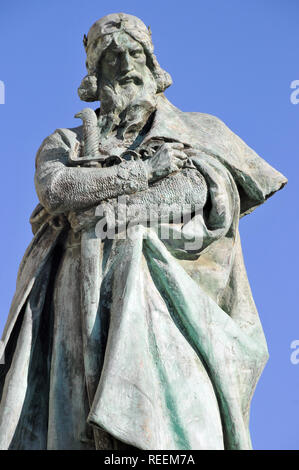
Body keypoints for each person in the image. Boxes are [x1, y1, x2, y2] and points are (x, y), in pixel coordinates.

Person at [0, 13, 287, 450]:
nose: (126, 66)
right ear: (95, 74)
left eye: (136, 55)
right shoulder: (67, 141)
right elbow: (58, 187)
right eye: (112, 58)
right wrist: (144, 173)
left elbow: (194, 189)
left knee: (165, 431)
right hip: (70, 301)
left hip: (162, 302)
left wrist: (112, 211)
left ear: (153, 67)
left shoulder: (193, 132)